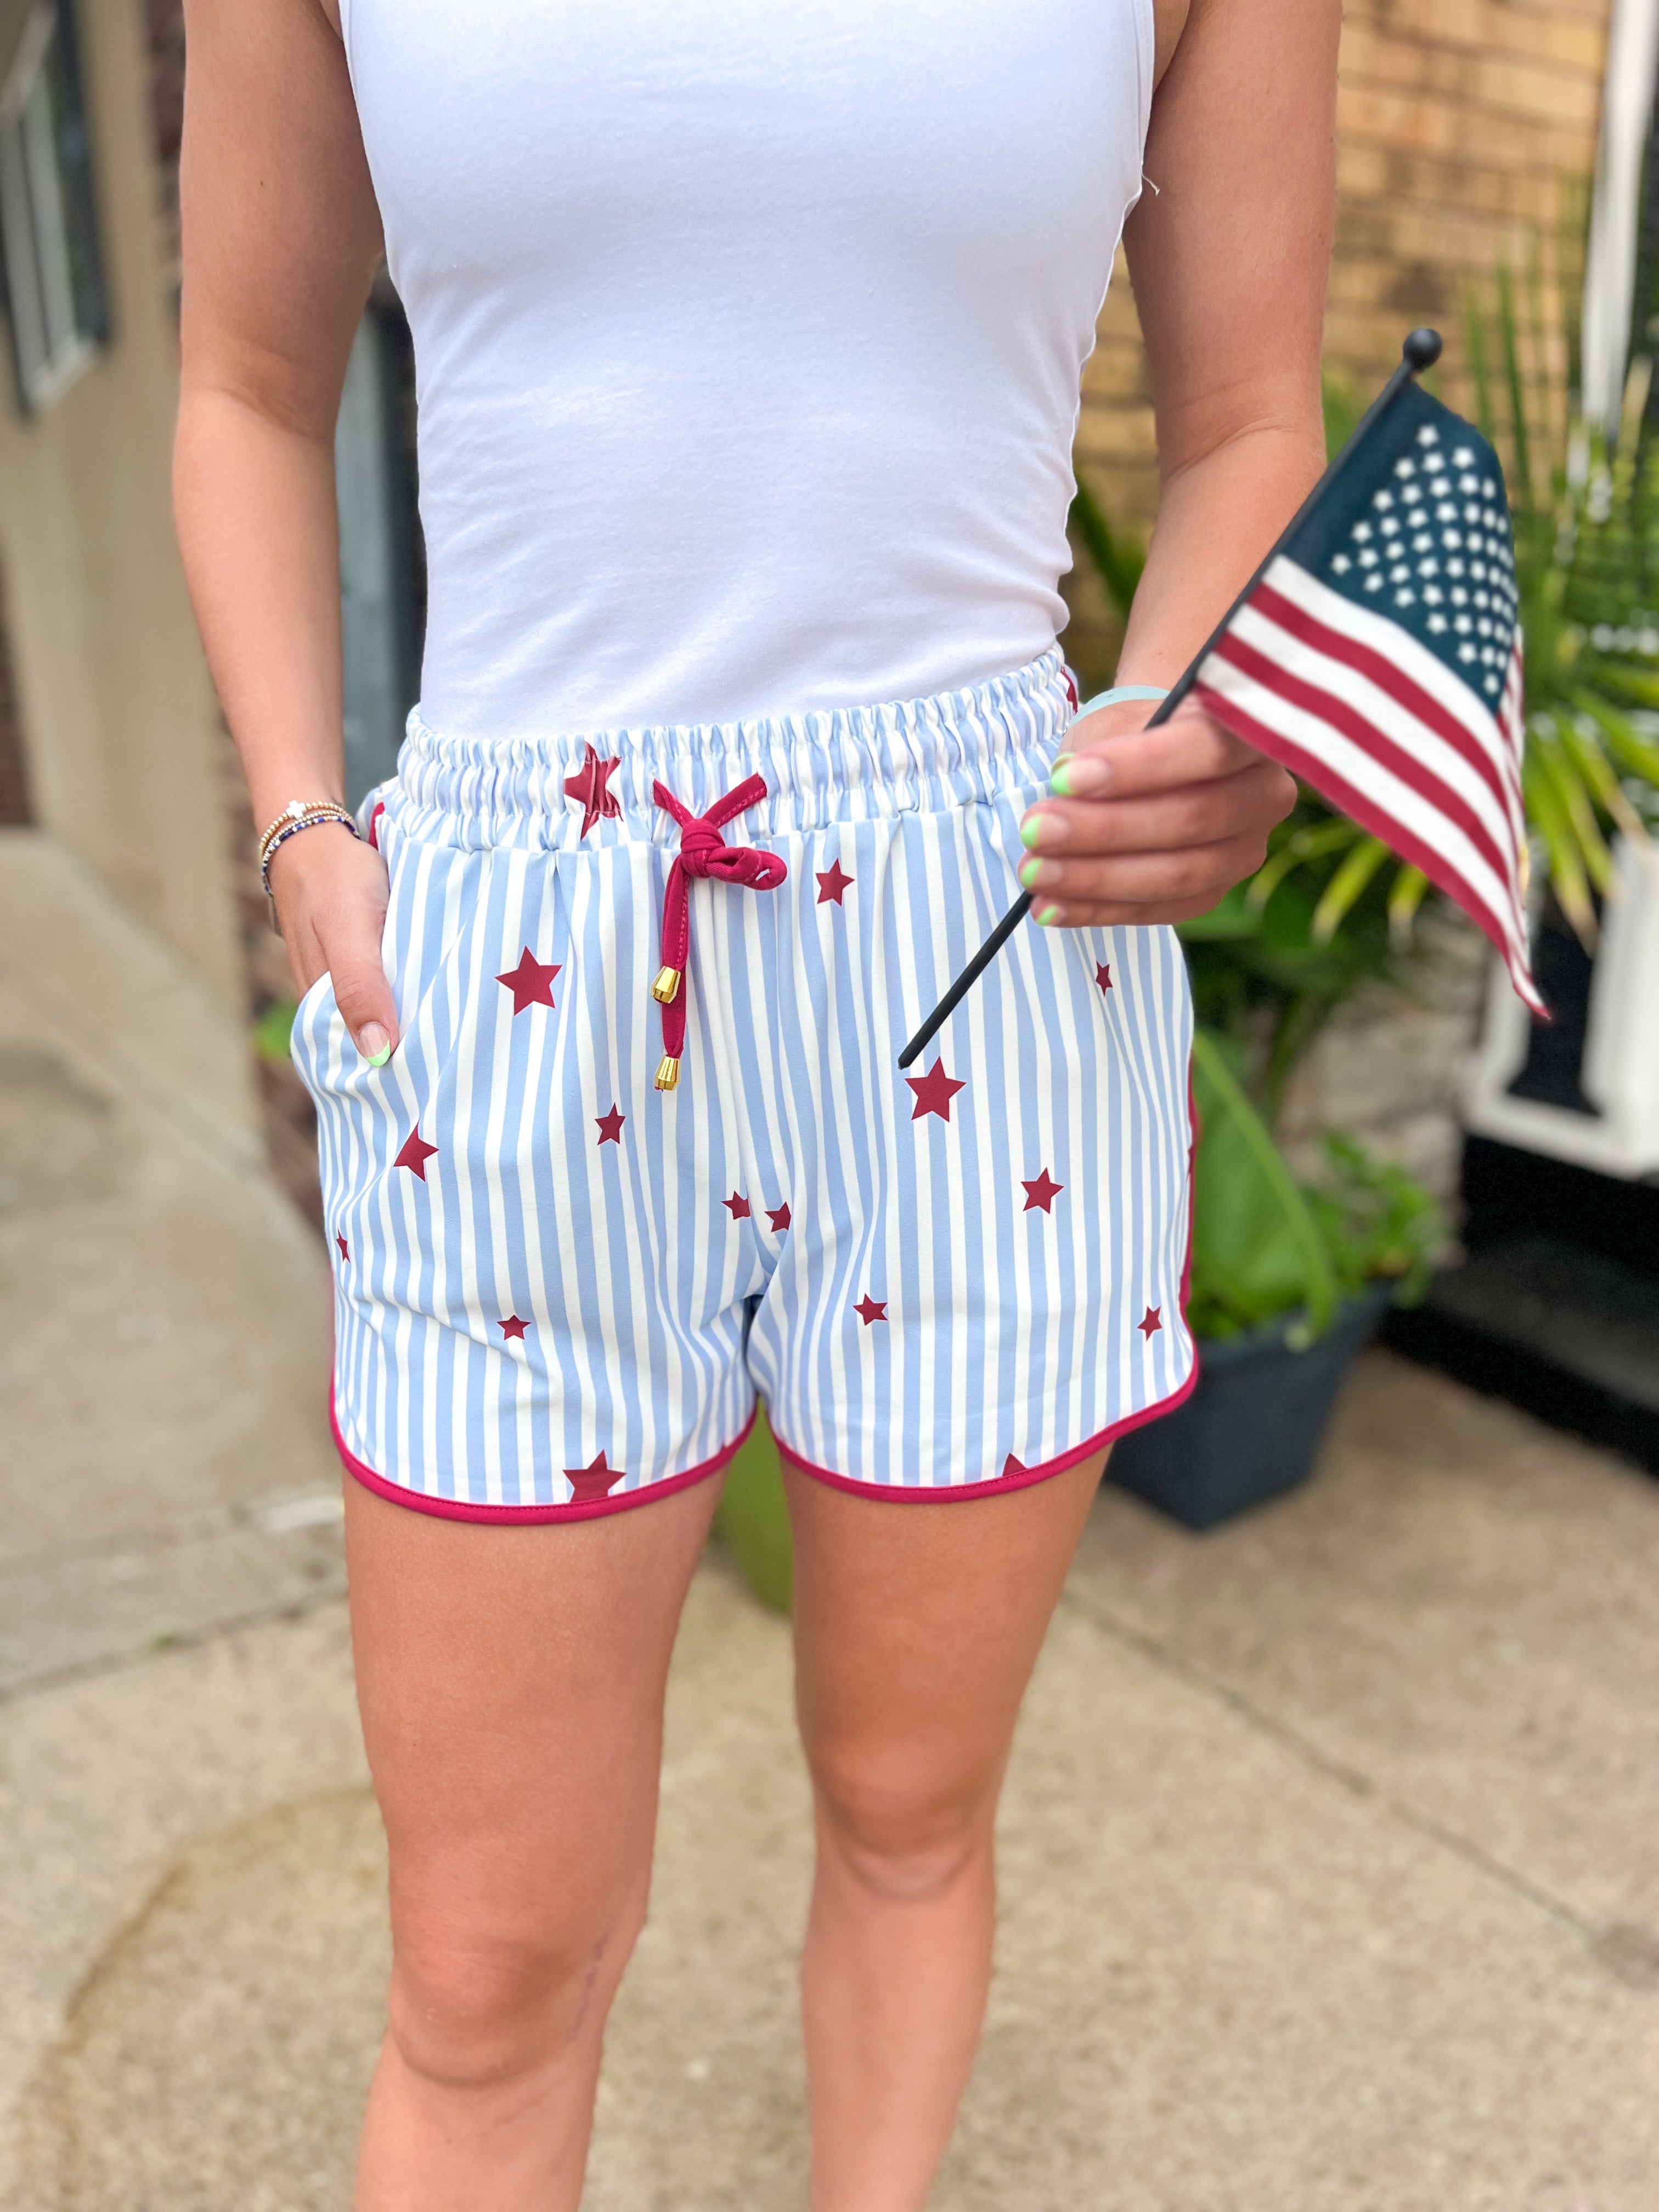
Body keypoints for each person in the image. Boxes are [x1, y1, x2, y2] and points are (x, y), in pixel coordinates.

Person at [173, 1, 1334, 2203]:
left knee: (908, 1811)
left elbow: (1253, 417)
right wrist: (305, 824)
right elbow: (242, 380)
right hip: (513, 945)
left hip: (987, 933)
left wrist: (1182, 708)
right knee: (490, 1960)